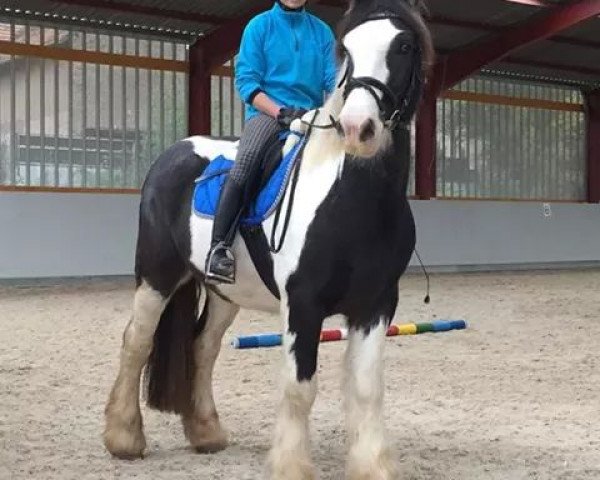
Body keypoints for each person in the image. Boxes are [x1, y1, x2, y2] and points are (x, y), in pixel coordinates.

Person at [205, 0, 337, 285]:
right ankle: (219, 247)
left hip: (311, 115)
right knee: (246, 162)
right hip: (268, 116)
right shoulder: (259, 27)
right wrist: (280, 112)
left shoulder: (322, 32)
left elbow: (333, 78)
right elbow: (247, 82)